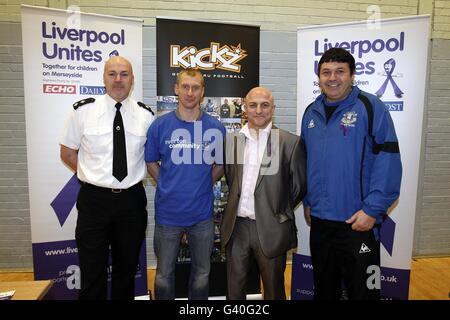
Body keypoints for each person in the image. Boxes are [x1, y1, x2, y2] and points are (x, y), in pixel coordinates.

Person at [300, 48, 402, 300]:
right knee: (325, 290)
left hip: (358, 222)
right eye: (326, 72)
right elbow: (305, 161)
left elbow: (388, 160)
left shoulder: (371, 106)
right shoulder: (310, 112)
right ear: (319, 78)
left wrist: (372, 210)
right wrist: (308, 201)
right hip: (321, 221)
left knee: (364, 293)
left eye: (339, 72)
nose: (332, 78)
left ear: (352, 75)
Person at [60, 56, 155, 300]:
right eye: (112, 74)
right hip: (94, 201)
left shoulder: (146, 116)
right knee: (92, 273)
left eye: (124, 74)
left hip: (131, 202)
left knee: (126, 271)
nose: (118, 79)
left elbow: (150, 158)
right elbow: (68, 153)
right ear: (103, 78)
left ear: (132, 79)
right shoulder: (83, 111)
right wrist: (92, 175)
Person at [145, 68, 226, 300]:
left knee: (202, 274)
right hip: (168, 215)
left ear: (202, 92)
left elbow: (220, 165)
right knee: (163, 275)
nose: (190, 92)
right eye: (185, 86)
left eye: (196, 87)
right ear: (176, 89)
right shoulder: (159, 126)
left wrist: (202, 184)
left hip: (202, 216)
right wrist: (167, 183)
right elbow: (150, 160)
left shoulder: (216, 127)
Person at [221, 86, 307, 300]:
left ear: (273, 109)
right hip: (237, 227)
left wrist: (275, 209)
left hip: (271, 228)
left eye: (265, 105)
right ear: (245, 108)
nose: (259, 110)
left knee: (273, 289)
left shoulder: (289, 142)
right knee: (234, 289)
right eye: (253, 105)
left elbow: (298, 187)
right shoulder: (232, 140)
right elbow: (232, 179)